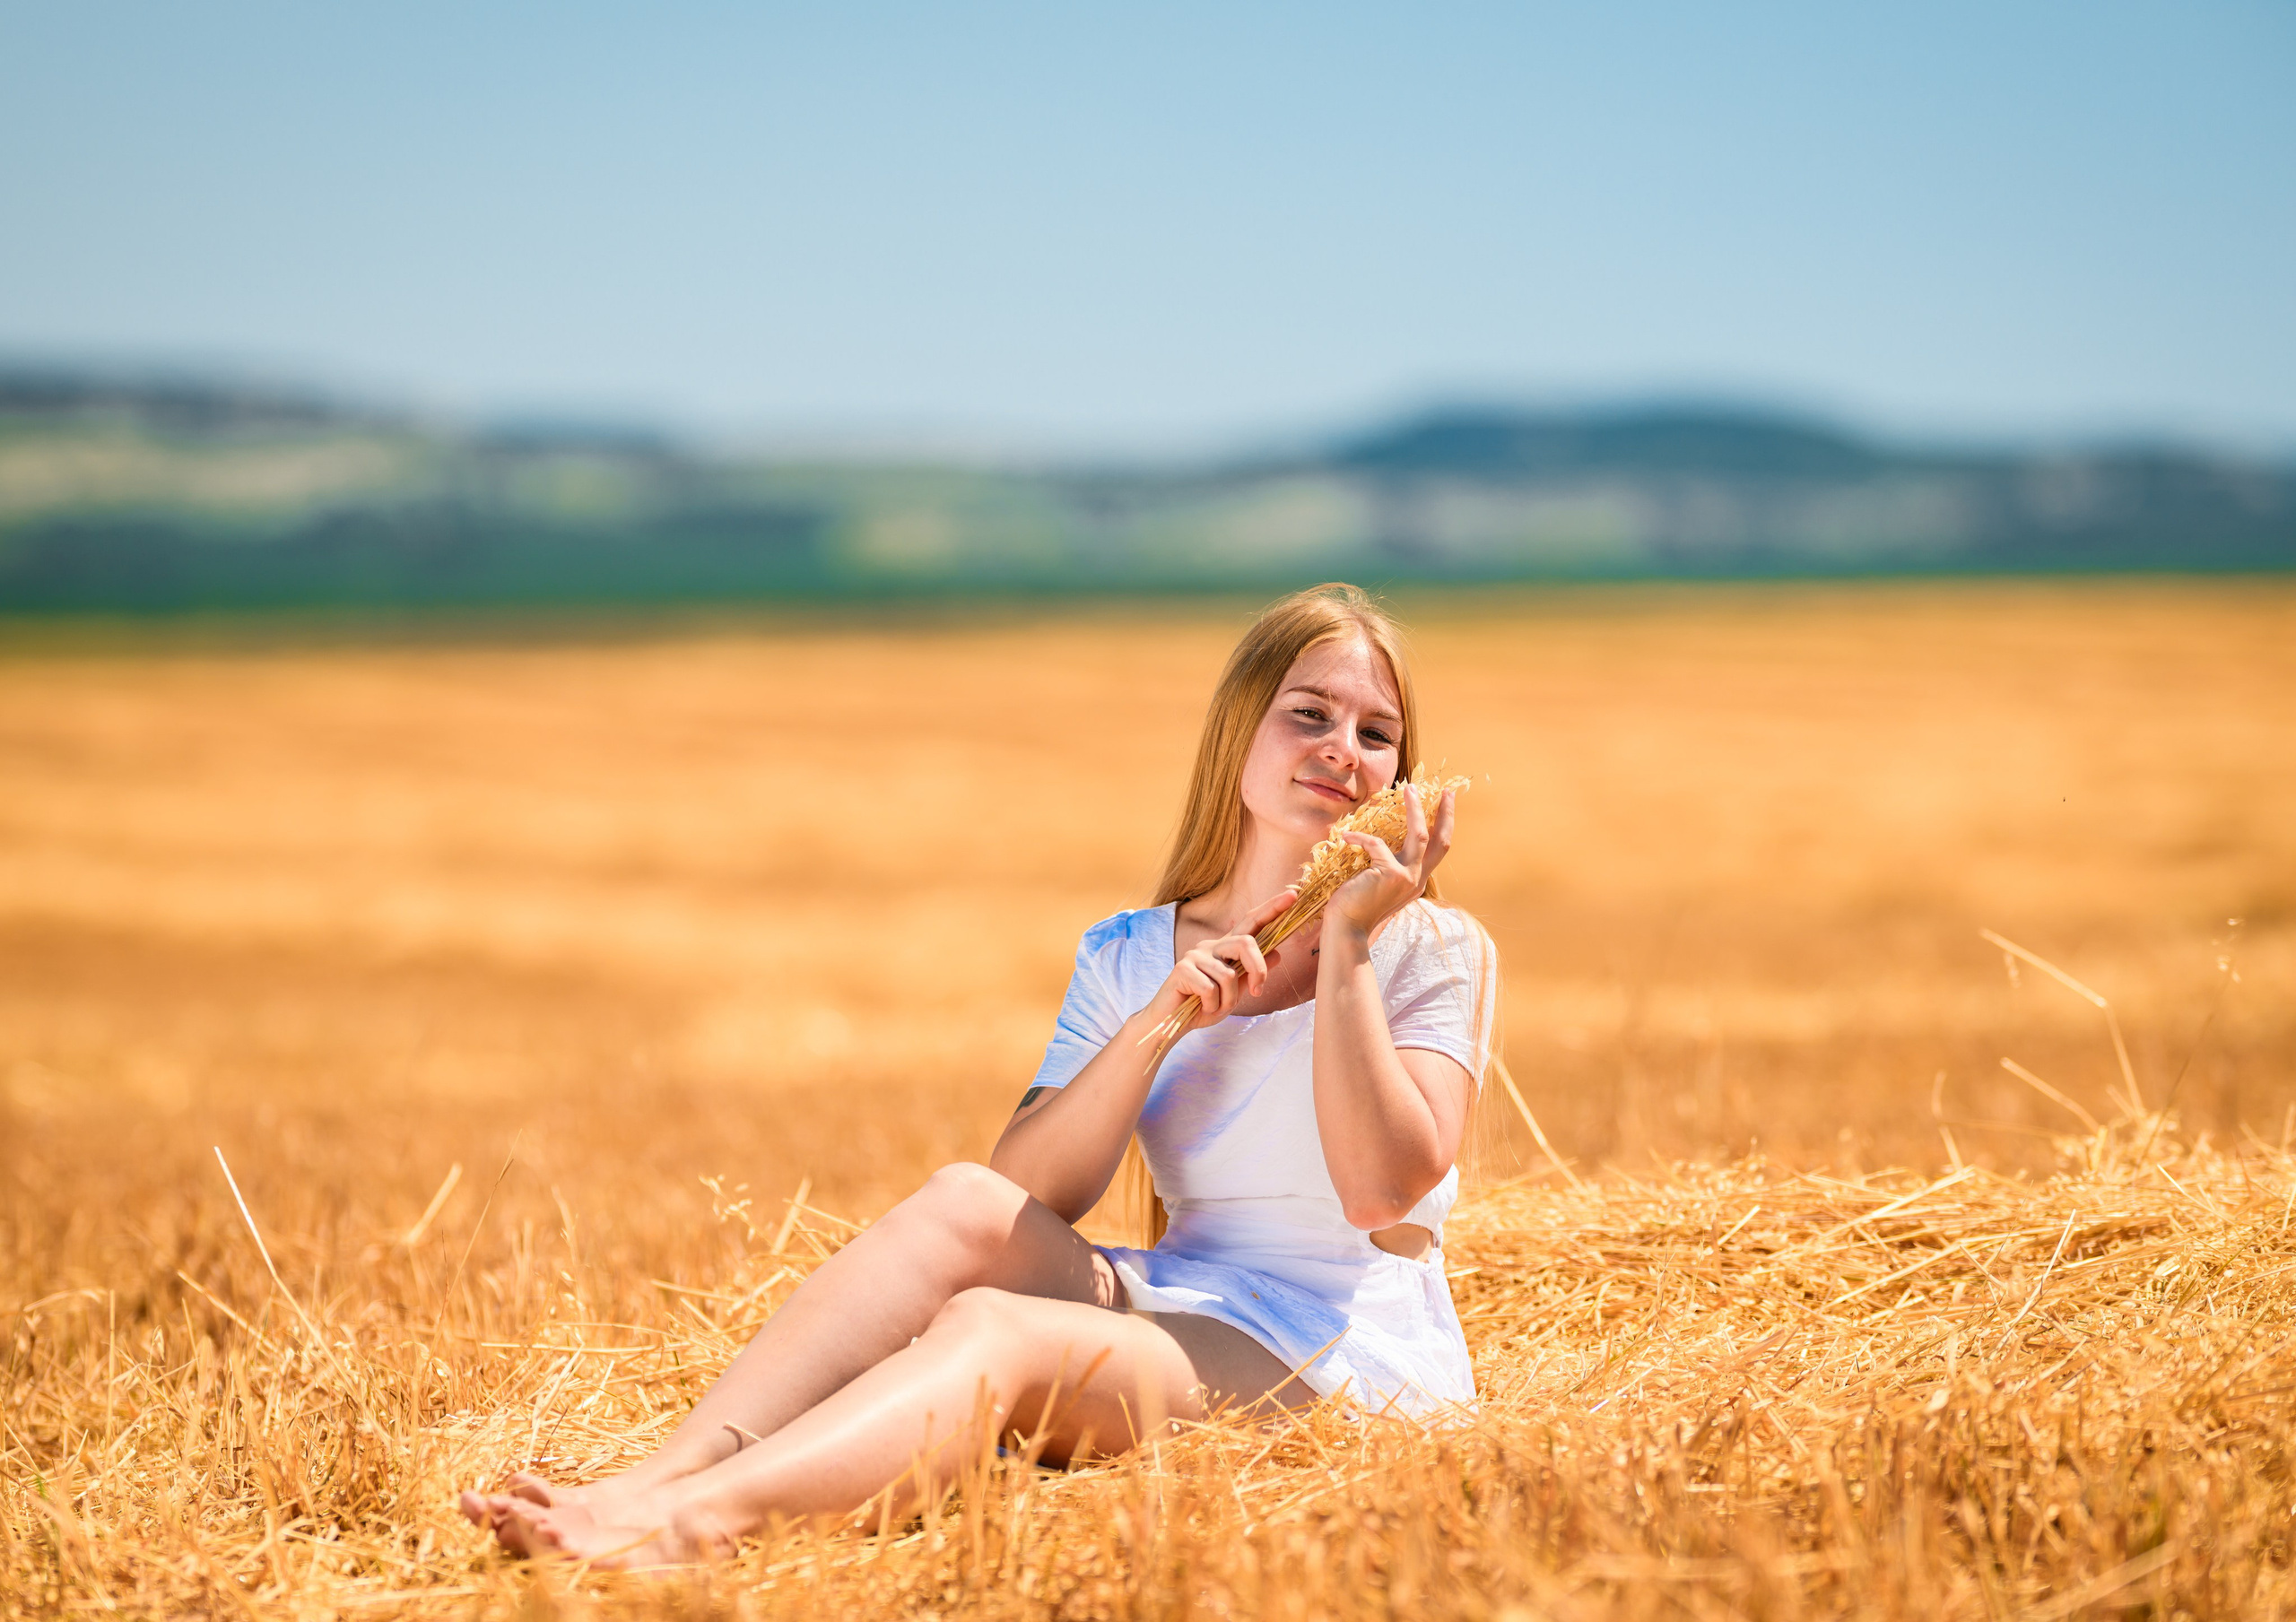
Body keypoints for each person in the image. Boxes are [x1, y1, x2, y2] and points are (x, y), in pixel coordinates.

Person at [460, 582, 1496, 1566]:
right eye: (1308, 714)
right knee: (961, 1201)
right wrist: (1159, 1022)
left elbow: (1380, 1191)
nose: (1342, 749)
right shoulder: (1130, 951)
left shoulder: (1432, 952)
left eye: (1376, 734)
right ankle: (652, 1481)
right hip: (1193, 1300)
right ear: (1239, 732)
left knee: (993, 1331)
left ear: (1401, 778)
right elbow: (1029, 1192)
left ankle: (691, 1531)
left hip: (1342, 1357)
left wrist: (1347, 943)